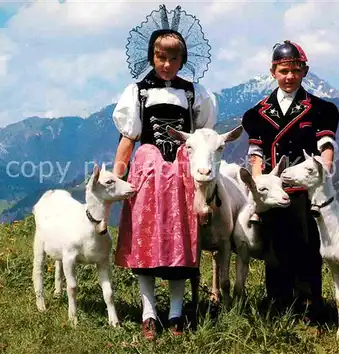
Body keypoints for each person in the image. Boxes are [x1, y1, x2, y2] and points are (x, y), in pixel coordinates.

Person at [111, 5, 217, 340]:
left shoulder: (194, 93)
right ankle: (148, 313)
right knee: (145, 242)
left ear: (183, 60)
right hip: (147, 171)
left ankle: (176, 313)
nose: (167, 64)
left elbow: (203, 139)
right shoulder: (137, 93)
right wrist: (116, 178)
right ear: (151, 57)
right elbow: (128, 140)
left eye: (173, 58)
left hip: (184, 174)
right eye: (160, 57)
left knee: (179, 243)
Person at [241, 40, 339, 321]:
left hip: (306, 190)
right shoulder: (257, 114)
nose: (289, 77)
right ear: (273, 71)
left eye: (295, 71)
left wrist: (324, 173)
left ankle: (311, 309)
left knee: (308, 248)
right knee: (276, 249)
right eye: (283, 71)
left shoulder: (320, 109)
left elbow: (325, 146)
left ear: (304, 72)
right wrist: (258, 187)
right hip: (275, 191)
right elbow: (256, 154)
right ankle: (279, 306)